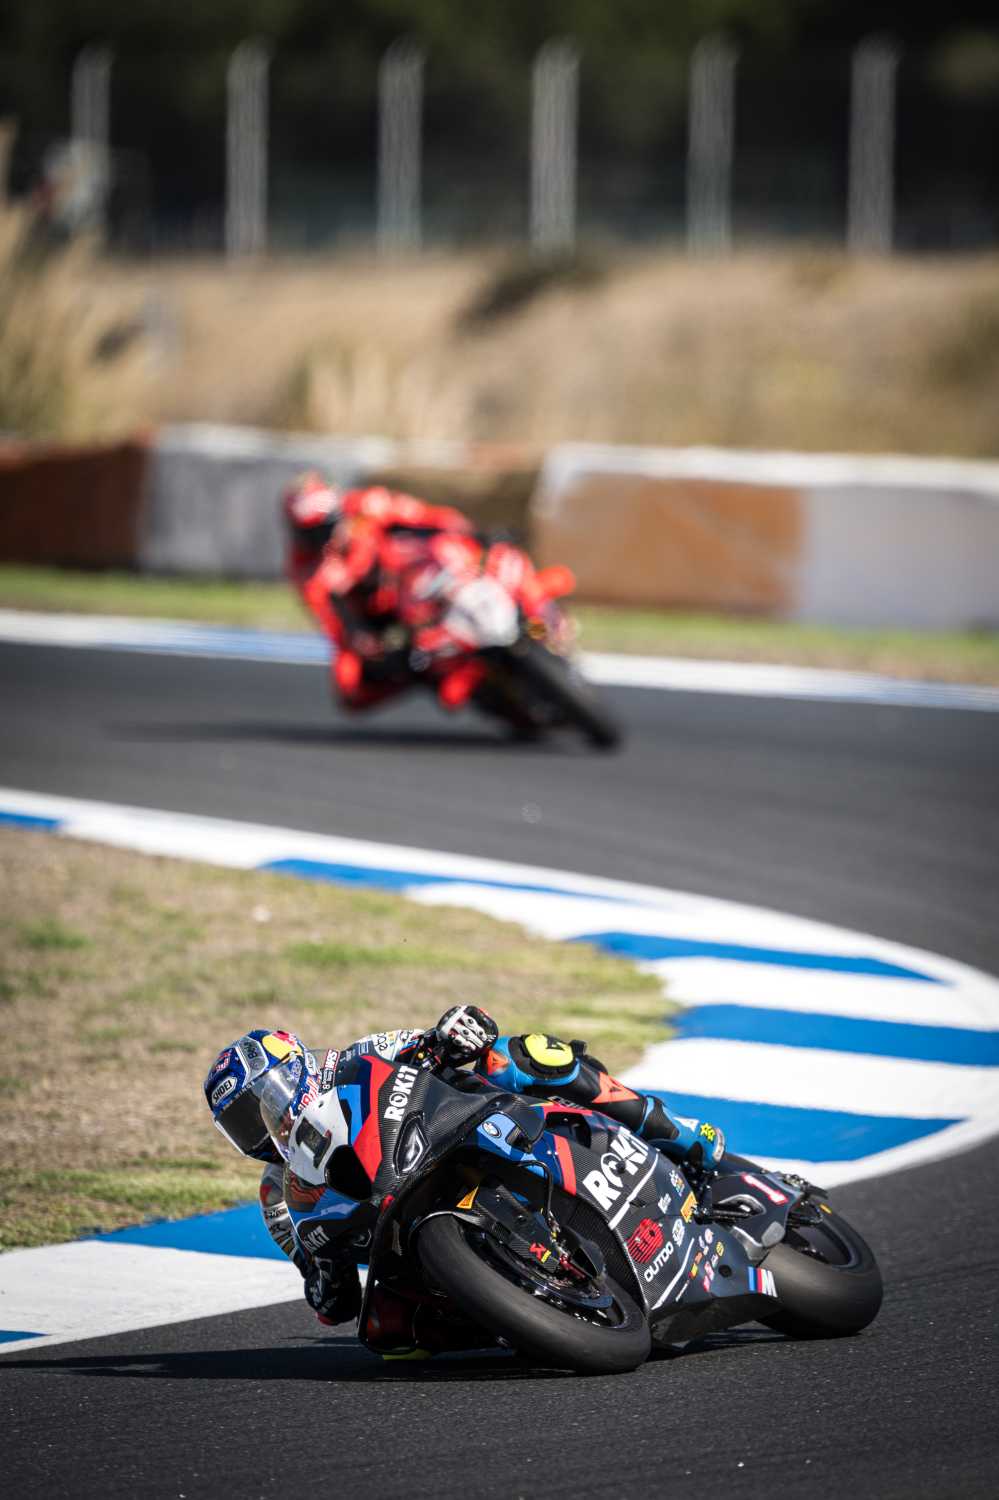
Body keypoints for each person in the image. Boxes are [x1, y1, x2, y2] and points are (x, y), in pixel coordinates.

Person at [204, 1007, 726, 1357]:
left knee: (521, 1054)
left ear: (297, 1067)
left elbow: (439, 1036)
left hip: (468, 1125)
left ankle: (674, 1131)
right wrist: (322, 1281)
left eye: (266, 1099)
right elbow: (329, 1292)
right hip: (406, 1233)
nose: (265, 1122)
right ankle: (524, 1314)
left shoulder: (354, 1059)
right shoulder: (280, 1193)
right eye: (244, 1123)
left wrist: (456, 1029)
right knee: (391, 1339)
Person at [282, 471, 477, 712]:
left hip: (415, 582)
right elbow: (331, 620)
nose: (323, 540)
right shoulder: (305, 567)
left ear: (338, 514)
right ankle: (425, 674)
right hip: (375, 617)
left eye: (325, 529)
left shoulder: (368, 505)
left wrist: (459, 529)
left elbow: (427, 515)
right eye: (310, 534)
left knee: (460, 553)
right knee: (351, 691)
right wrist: (359, 637)